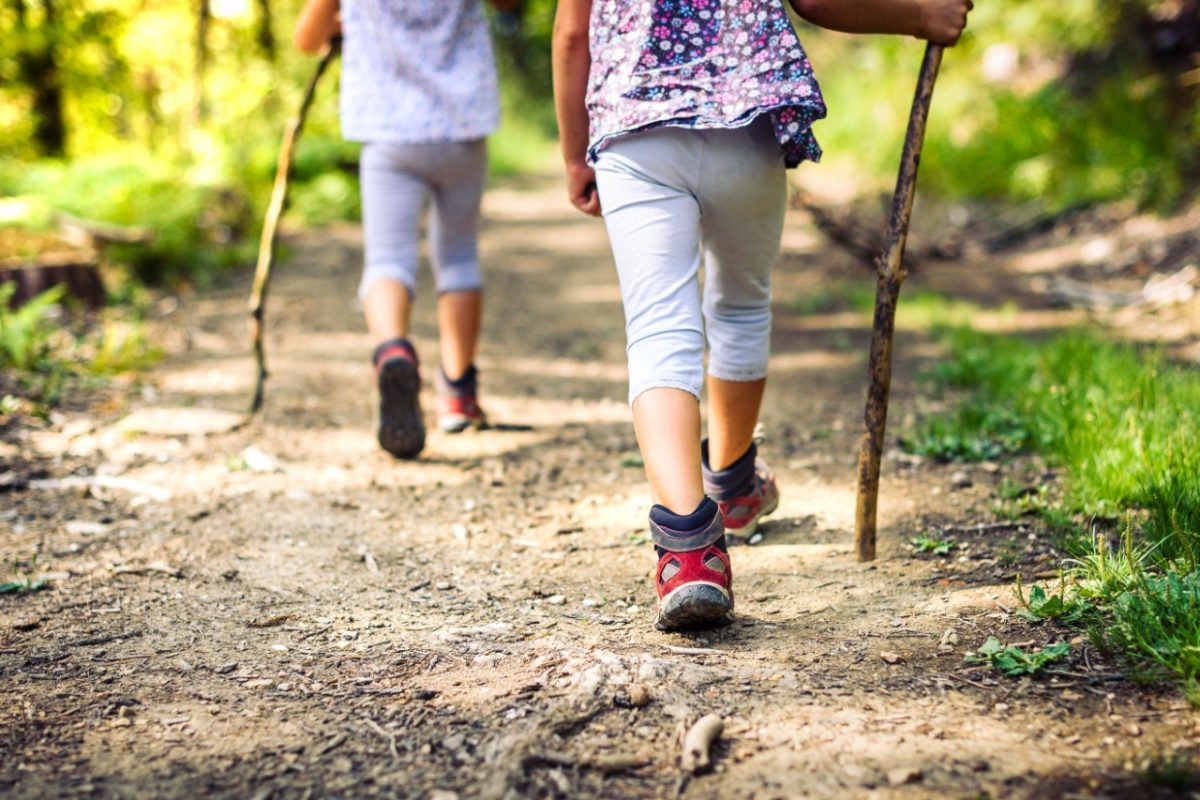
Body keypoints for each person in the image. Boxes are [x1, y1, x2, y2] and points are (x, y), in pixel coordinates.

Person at [552, 0, 972, 631]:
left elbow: (570, 34)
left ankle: (689, 552)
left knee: (659, 327)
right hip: (742, 121)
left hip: (635, 129)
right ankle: (732, 482)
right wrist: (919, 15)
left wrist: (573, 154)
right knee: (741, 304)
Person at [294, 0, 517, 459]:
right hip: (462, 127)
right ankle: (457, 395)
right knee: (457, 257)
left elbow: (307, 39)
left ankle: (394, 351)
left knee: (388, 258)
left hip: (388, 131)